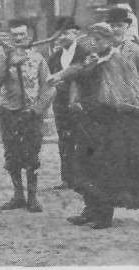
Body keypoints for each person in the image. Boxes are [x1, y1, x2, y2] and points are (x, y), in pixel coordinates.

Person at [49, 23, 139, 229]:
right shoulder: (91, 59)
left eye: (99, 40)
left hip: (109, 123)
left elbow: (127, 90)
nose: (95, 44)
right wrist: (60, 75)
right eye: (92, 40)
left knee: (104, 168)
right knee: (84, 164)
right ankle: (90, 209)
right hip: (87, 119)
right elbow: (77, 71)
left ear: (109, 40)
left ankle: (104, 214)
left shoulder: (116, 60)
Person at [0, 19, 54, 213]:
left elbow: (49, 87)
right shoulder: (5, 57)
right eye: (14, 35)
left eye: (21, 35)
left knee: (31, 154)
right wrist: (8, 61)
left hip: (31, 113)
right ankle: (18, 196)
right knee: (12, 154)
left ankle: (32, 197)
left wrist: (37, 109)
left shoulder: (38, 59)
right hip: (9, 111)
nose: (18, 38)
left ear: (29, 37)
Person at [47, 17, 87, 190]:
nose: (61, 37)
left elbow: (87, 74)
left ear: (75, 33)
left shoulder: (84, 53)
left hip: (81, 103)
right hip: (61, 103)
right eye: (58, 34)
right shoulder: (55, 56)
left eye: (65, 33)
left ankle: (83, 177)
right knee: (64, 139)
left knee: (83, 138)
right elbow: (48, 78)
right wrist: (54, 83)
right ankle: (67, 178)